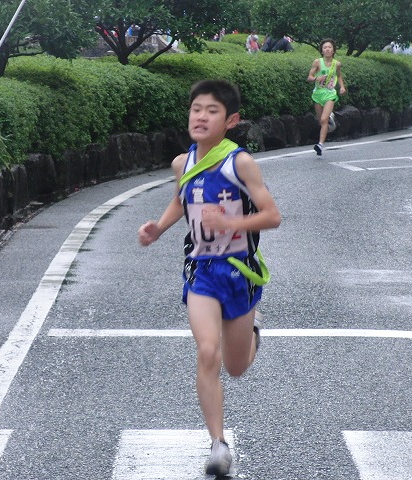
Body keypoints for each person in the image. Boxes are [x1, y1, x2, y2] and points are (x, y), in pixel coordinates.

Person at [137, 79, 281, 476]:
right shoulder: (182, 164)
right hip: (202, 271)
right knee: (206, 352)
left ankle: (253, 330)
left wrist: (233, 220)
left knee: (236, 367)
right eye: (196, 108)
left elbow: (272, 216)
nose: (200, 116)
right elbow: (179, 199)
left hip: (239, 272)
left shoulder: (240, 164)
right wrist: (159, 227)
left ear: (230, 120)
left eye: (212, 110)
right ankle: (218, 444)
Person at [307, 38, 346, 156]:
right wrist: (315, 78)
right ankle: (331, 118)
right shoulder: (317, 62)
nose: (327, 49)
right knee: (321, 121)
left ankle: (320, 145)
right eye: (325, 48)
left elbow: (338, 75)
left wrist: (342, 87)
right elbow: (309, 77)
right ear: (322, 51)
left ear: (333, 50)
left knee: (324, 120)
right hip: (318, 94)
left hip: (330, 94)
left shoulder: (337, 64)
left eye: (329, 47)